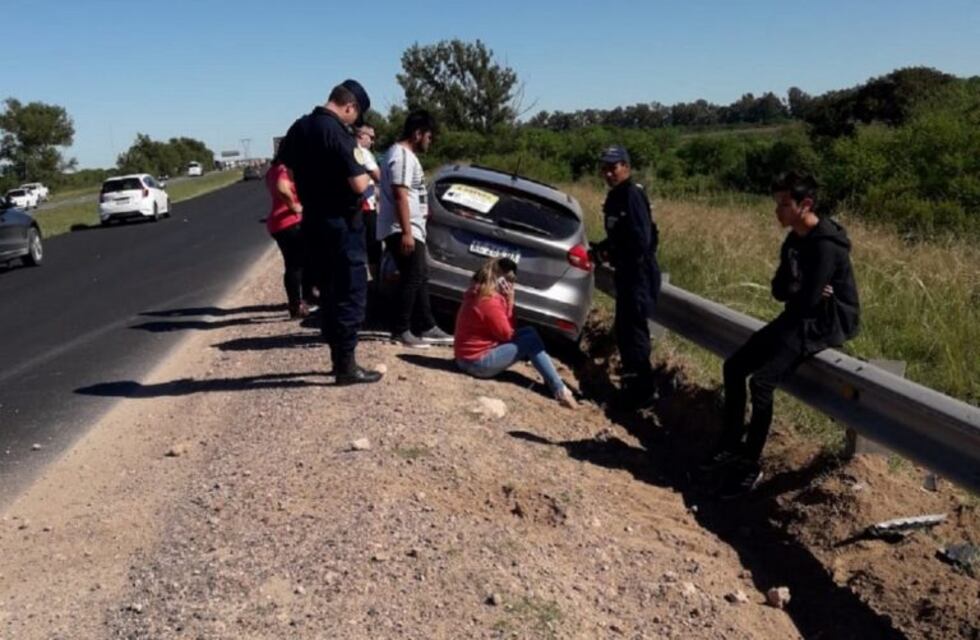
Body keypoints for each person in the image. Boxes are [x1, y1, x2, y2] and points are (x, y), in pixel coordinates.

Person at [708, 171, 860, 498]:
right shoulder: (793, 240)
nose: (778, 211)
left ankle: (750, 462)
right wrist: (801, 288)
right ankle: (729, 445)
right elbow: (780, 290)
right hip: (797, 316)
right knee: (734, 367)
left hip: (824, 323)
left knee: (761, 382)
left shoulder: (827, 245)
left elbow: (808, 300)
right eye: (776, 203)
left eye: (784, 204)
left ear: (806, 205)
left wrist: (803, 290)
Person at [277, 79, 382, 385]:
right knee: (350, 291)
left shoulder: (300, 128)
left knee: (329, 292)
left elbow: (287, 173)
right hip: (342, 225)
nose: (354, 121)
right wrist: (371, 180)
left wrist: (310, 190)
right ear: (350, 106)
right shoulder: (338, 133)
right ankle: (346, 366)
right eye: (355, 115)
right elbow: (359, 184)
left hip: (313, 221)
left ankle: (338, 360)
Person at [454, 258, 578, 409]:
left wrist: (506, 302)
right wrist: (510, 300)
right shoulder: (489, 302)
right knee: (530, 341)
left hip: (466, 358)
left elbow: (505, 331)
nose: (511, 286)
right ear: (502, 282)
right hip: (475, 363)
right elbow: (507, 335)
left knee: (529, 332)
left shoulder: (479, 292)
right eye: (510, 282)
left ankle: (552, 378)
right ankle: (559, 389)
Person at [592, 145, 662, 407]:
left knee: (634, 334)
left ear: (626, 167)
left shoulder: (632, 195)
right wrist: (600, 250)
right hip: (627, 273)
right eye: (605, 168)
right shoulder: (615, 197)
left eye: (614, 167)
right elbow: (618, 235)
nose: (608, 173)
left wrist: (610, 252)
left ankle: (643, 393)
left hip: (639, 274)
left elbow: (641, 239)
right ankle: (633, 388)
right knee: (625, 331)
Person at [378, 110, 453, 348]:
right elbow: (400, 195)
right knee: (412, 277)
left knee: (420, 276)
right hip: (402, 228)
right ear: (418, 133)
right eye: (429, 136)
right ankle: (401, 329)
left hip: (412, 227)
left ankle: (427, 326)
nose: (430, 141)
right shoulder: (401, 156)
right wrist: (407, 232)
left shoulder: (406, 156)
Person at [264, 158, 317, 318]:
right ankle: (296, 306)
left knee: (302, 262)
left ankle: (305, 298)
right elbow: (282, 187)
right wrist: (294, 205)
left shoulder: (272, 170)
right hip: (289, 222)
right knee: (296, 265)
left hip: (278, 222)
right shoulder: (284, 169)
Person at [354, 125, 383, 276]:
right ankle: (376, 281)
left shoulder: (346, 149)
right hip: (366, 206)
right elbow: (378, 176)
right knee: (373, 247)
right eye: (371, 137)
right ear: (361, 135)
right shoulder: (363, 152)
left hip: (354, 207)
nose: (373, 141)